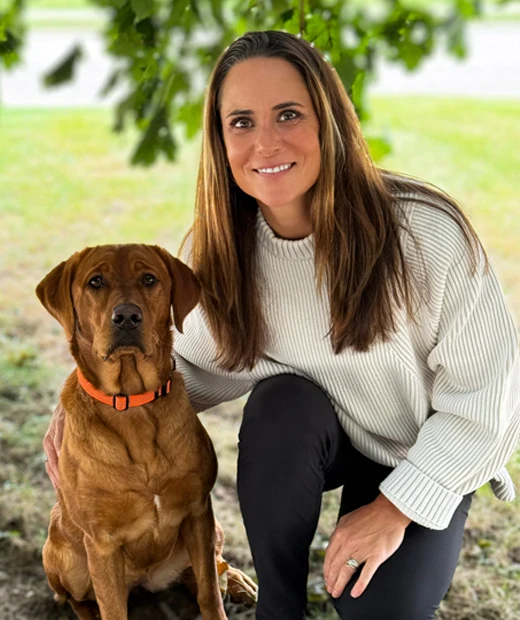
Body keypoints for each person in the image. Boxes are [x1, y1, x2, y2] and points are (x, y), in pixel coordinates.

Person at [43, 30, 520, 620]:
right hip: (317, 436)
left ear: (329, 121)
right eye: (240, 122)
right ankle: (279, 606)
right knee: (280, 405)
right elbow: (181, 364)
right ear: (220, 141)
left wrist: (396, 509)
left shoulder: (428, 235)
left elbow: (489, 405)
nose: (264, 141)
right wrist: (80, 413)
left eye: (288, 114)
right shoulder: (220, 255)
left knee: (380, 611)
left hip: (423, 446)